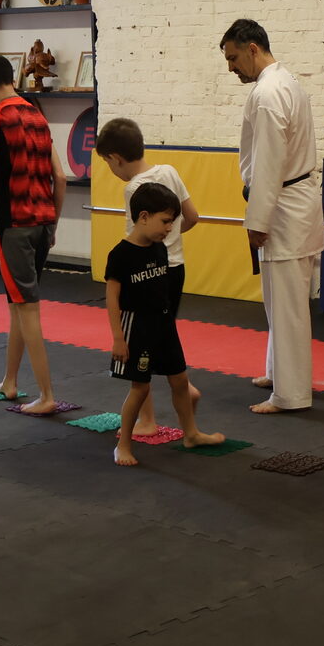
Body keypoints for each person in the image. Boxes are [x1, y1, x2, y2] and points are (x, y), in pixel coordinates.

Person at [221, 18, 324, 415]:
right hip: (294, 201)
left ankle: (291, 395)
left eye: (233, 58)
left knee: (287, 307)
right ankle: (277, 372)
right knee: (280, 301)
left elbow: (268, 162)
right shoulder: (286, 82)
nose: (231, 67)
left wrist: (257, 221)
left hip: (283, 206)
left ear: (252, 48)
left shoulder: (268, 93)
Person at [0, 52, 67, 416]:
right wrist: (53, 224)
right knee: (18, 305)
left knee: (28, 309)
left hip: (15, 226)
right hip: (42, 223)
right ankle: (9, 381)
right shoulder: (37, 115)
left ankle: (47, 395)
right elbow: (60, 177)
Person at [95, 117, 203, 436]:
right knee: (163, 332)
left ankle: (147, 419)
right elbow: (192, 217)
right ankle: (182, 385)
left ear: (116, 158)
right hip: (175, 269)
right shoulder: (168, 171)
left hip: (145, 273)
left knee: (140, 340)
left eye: (107, 164)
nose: (111, 170)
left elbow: (136, 240)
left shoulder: (134, 189)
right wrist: (171, 236)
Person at [106, 181, 224, 466]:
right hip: (137, 326)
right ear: (144, 216)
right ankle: (123, 445)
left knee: (180, 381)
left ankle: (191, 434)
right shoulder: (121, 254)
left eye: (172, 222)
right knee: (140, 388)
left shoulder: (159, 248)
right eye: (166, 221)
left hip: (164, 323)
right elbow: (112, 298)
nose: (170, 228)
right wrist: (118, 338)